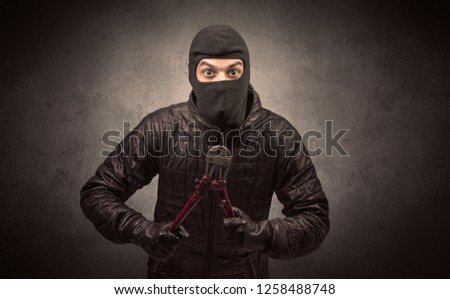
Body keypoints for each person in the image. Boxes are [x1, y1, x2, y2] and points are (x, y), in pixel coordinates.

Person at [80, 24, 330, 278]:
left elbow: (314, 218)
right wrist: (140, 230)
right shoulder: (162, 127)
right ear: (192, 74)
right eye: (209, 72)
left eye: (233, 71)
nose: (221, 83)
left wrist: (262, 235)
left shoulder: (279, 135)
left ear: (247, 73)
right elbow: (97, 193)